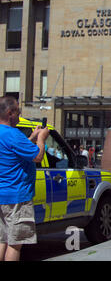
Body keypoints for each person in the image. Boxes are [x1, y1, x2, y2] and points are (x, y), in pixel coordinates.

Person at [0, 96, 49, 261]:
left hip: (2, 195)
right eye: (18, 112)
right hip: (17, 197)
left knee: (2, 240)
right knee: (15, 244)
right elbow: (38, 156)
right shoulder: (14, 134)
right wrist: (41, 138)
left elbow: (14, 152)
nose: (20, 116)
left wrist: (32, 138)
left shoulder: (4, 134)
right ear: (10, 113)